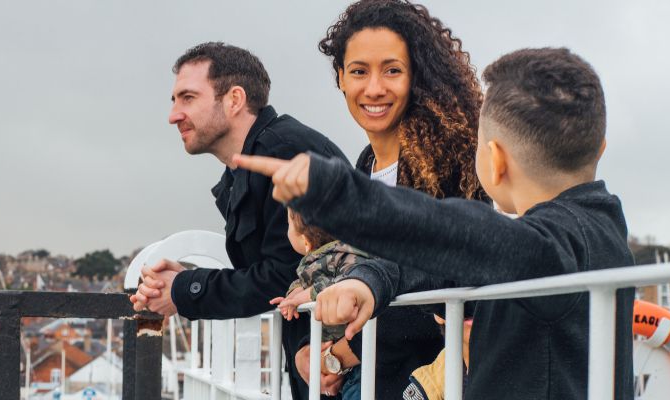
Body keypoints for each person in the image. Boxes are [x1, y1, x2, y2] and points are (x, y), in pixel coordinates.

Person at [236, 47, 635, 400]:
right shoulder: (600, 235)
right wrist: (370, 282)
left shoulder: (552, 245)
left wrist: (334, 191)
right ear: (599, 146)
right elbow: (443, 266)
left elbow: (461, 236)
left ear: (494, 161)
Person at [290, 0, 491, 397]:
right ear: (341, 78)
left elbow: (452, 280)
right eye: (359, 71)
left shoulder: (454, 161)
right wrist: (310, 348)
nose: (374, 88)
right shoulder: (362, 166)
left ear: (416, 76)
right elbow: (337, 268)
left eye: (392, 70)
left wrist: (347, 352)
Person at [127, 41, 348, 398]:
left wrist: (184, 291)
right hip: (322, 366)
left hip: (349, 369)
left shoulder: (284, 154)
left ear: (234, 100)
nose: (173, 114)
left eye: (187, 98)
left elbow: (285, 276)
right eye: (174, 100)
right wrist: (184, 283)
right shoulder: (253, 164)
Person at [271, 209, 377, 398]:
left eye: (288, 225)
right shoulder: (327, 257)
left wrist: (302, 297)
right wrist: (292, 296)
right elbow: (301, 282)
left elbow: (342, 285)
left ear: (305, 241)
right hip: (347, 349)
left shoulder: (343, 256)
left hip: (359, 355)